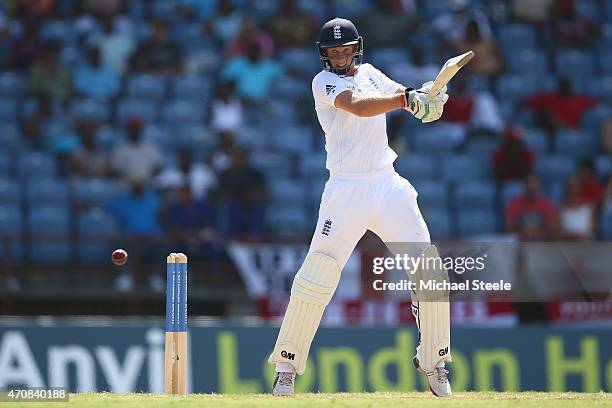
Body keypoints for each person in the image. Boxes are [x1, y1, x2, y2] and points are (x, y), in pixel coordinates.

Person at [268, 18, 451, 397]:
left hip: (387, 184)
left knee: (429, 270)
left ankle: (435, 363)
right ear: (324, 55)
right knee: (316, 276)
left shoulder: (370, 73)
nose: (339, 56)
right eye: (332, 51)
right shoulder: (324, 83)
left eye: (344, 49)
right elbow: (360, 107)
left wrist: (428, 102)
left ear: (357, 48)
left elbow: (405, 95)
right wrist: (407, 101)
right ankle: (287, 366)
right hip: (346, 190)